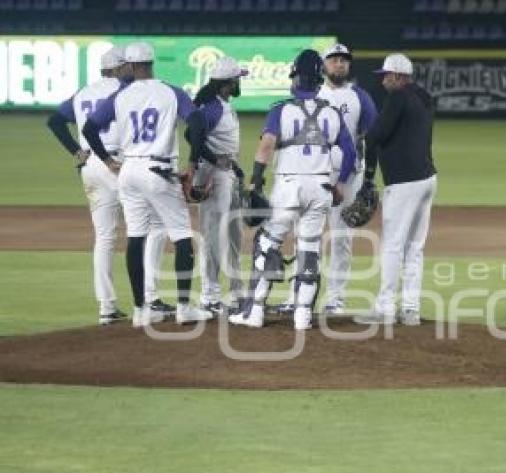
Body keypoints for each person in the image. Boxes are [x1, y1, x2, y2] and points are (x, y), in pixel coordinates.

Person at [82, 41, 212, 326]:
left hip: (129, 171)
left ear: (129, 66)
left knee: (136, 237)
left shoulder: (120, 95)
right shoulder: (170, 91)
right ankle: (183, 307)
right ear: (152, 63)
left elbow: (89, 128)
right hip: (159, 169)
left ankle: (142, 310)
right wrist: (191, 164)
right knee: (181, 236)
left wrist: (106, 160)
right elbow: (198, 124)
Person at [228, 49, 356, 331]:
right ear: (320, 79)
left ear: (297, 78)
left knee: (267, 244)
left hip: (288, 187)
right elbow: (350, 152)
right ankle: (302, 316)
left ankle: (255, 312)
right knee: (309, 249)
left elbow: (266, 146)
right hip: (321, 187)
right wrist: (340, 184)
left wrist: (256, 181)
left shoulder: (281, 109)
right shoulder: (332, 114)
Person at [46, 46, 172, 324]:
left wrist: (76, 152)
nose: (129, 69)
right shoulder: (125, 90)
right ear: (117, 69)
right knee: (154, 225)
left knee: (104, 237)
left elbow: (54, 121)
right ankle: (150, 298)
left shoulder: (84, 91)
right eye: (125, 66)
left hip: (90, 167)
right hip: (118, 163)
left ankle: (106, 307)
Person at [277, 43, 377, 315]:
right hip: (314, 174)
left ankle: (335, 298)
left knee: (341, 238)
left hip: (348, 176)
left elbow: (373, 138)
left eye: (344, 60)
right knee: (303, 237)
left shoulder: (359, 97)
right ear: (323, 65)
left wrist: (368, 177)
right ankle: (296, 294)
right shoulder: (310, 93)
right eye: (334, 60)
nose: (340, 64)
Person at [354, 53, 437, 327]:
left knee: (392, 245)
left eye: (387, 75)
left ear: (399, 76)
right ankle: (411, 309)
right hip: (427, 179)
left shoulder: (399, 97)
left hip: (404, 183)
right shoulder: (424, 96)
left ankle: (385, 308)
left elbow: (376, 135)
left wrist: (366, 165)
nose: (384, 80)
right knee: (415, 247)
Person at [184, 56, 247, 315]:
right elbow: (193, 132)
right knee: (213, 235)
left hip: (226, 173)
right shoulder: (212, 107)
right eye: (236, 79)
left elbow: (193, 133)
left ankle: (237, 293)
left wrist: (233, 166)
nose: (239, 83)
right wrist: (209, 159)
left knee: (232, 234)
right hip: (213, 177)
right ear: (226, 83)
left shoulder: (221, 104)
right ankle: (210, 296)